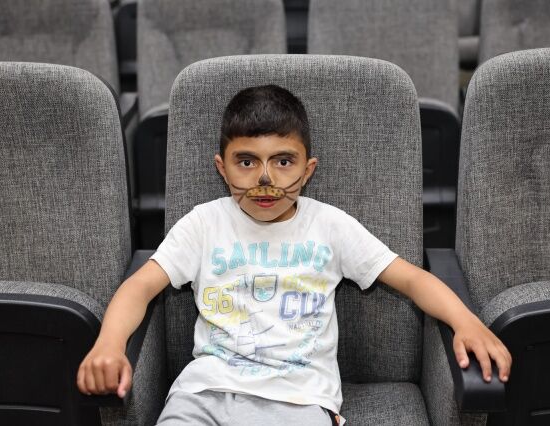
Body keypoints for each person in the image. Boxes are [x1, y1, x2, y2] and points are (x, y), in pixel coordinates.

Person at [77, 85, 511, 425]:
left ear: (307, 170)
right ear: (222, 167)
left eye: (283, 162)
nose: (265, 179)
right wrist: (110, 343)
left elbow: (413, 279)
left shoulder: (330, 226)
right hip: (204, 394)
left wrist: (465, 322)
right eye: (246, 162)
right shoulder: (204, 223)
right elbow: (140, 286)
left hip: (299, 399)